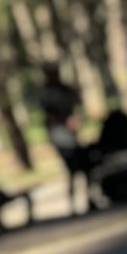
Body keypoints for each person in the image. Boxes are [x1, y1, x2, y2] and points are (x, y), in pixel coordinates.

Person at [33, 63, 92, 213]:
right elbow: (49, 115)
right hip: (60, 135)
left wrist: (74, 120)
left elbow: (75, 106)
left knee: (84, 167)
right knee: (72, 168)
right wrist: (64, 120)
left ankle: (89, 199)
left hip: (70, 134)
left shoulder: (64, 89)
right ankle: (73, 204)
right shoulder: (46, 92)